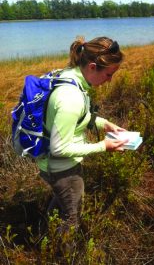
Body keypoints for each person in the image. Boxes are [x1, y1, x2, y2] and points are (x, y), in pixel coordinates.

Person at [38, 36, 127, 231]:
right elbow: (60, 147)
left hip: (54, 164)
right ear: (93, 67)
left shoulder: (72, 77)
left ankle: (44, 227)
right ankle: (61, 254)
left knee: (62, 202)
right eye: (109, 74)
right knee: (71, 218)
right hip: (62, 168)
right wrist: (104, 146)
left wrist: (106, 125)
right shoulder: (70, 97)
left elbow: (79, 117)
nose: (110, 80)